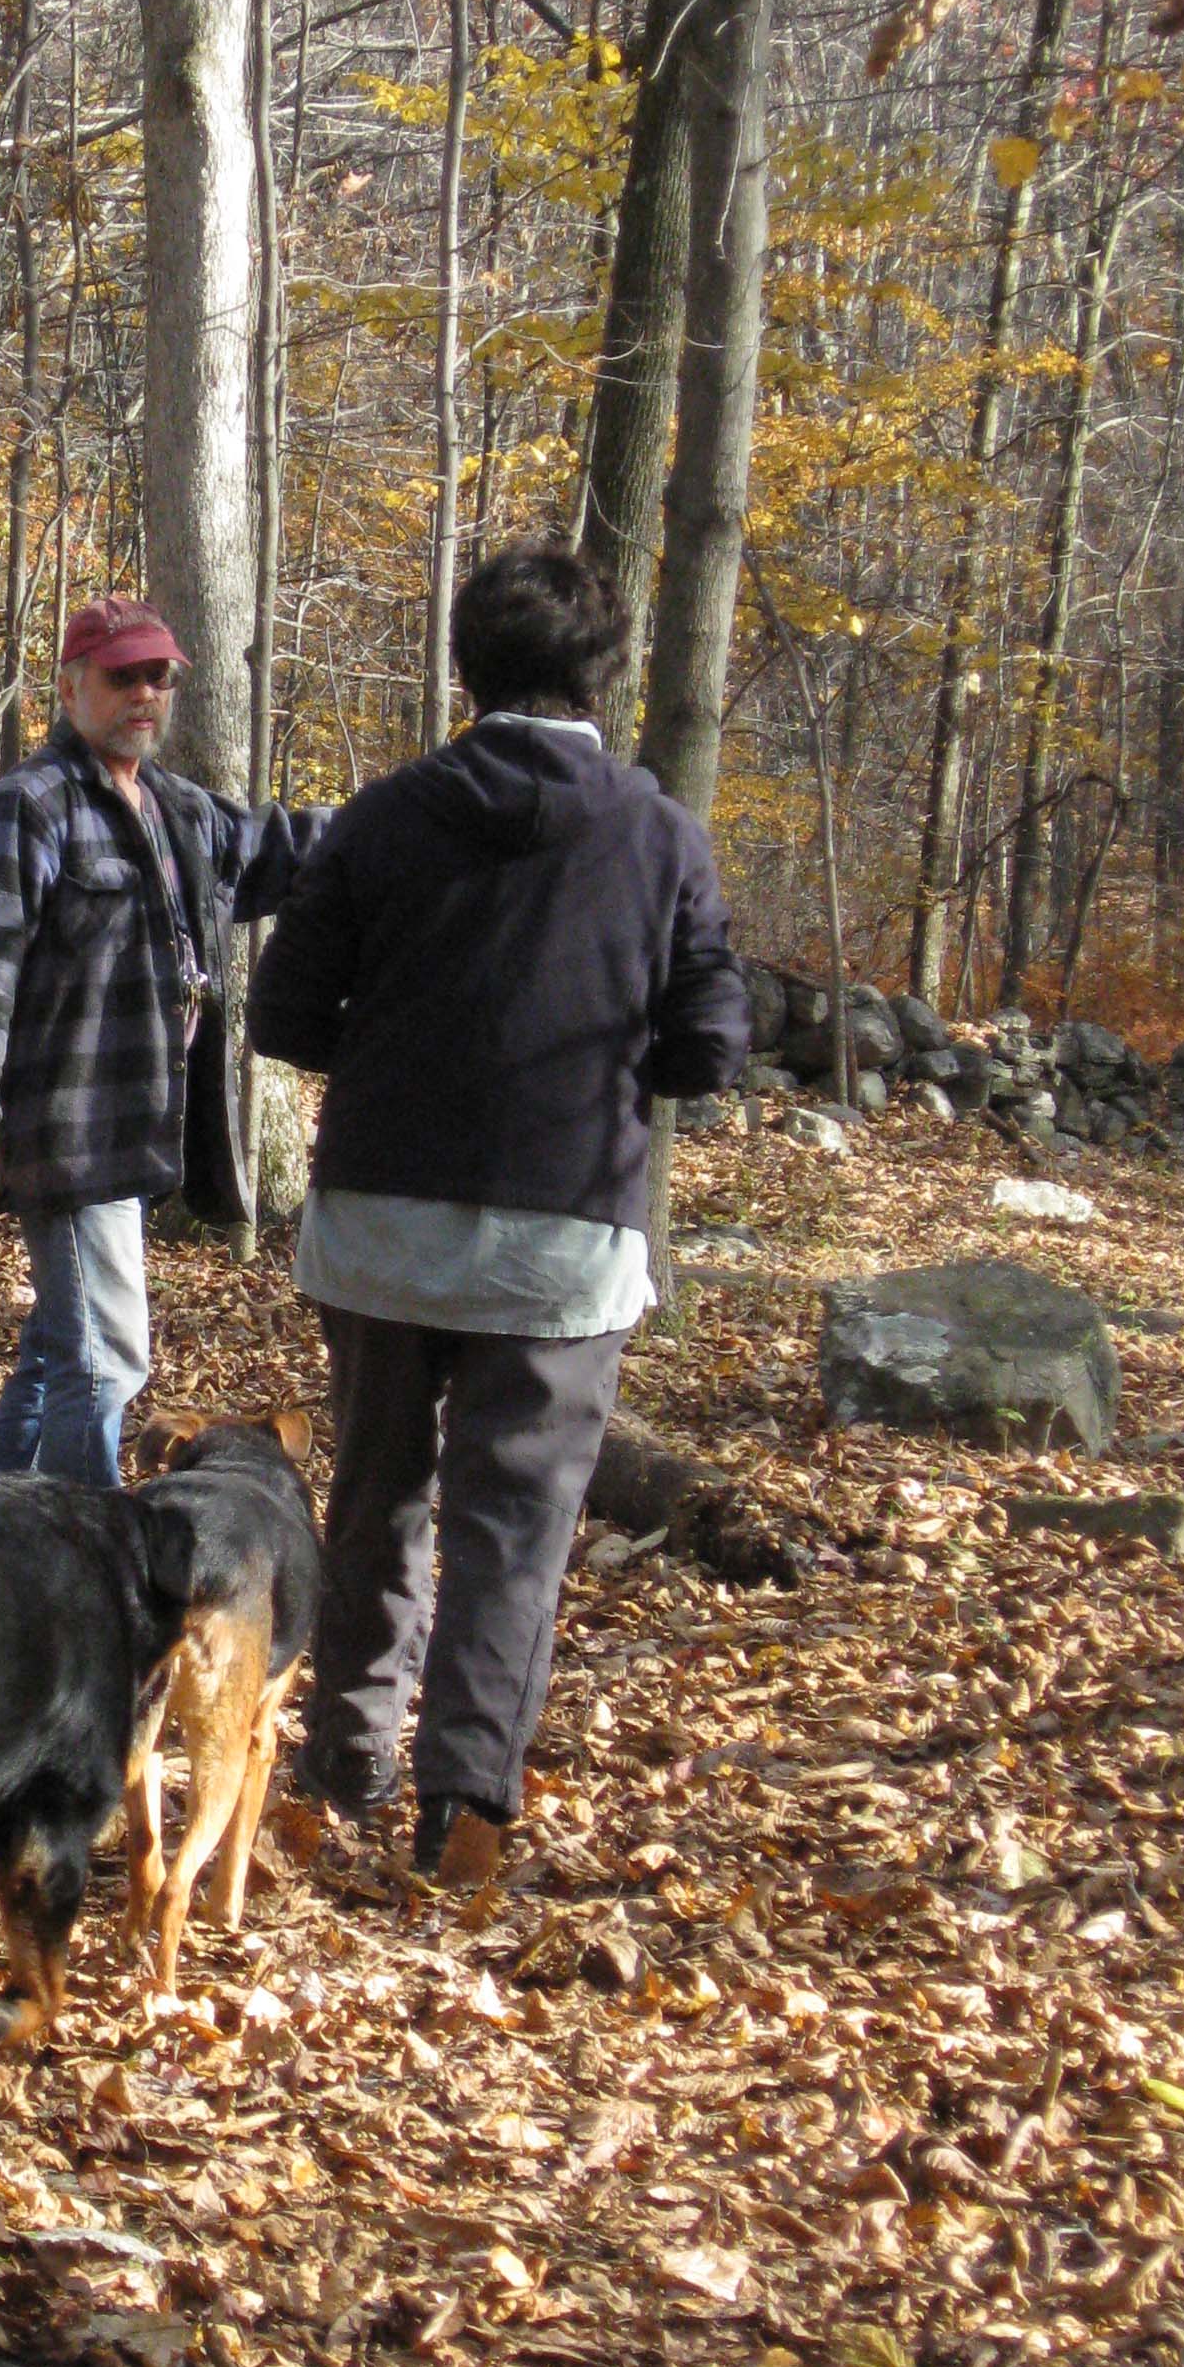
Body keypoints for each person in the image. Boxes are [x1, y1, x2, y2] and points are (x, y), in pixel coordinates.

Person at [247, 538, 752, 1881]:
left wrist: (398, 1052)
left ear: (466, 668)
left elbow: (283, 1014)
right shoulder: (658, 834)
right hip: (565, 1236)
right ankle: (465, 1807)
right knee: (513, 1530)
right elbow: (711, 1045)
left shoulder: (383, 817)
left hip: (382, 1229)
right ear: (604, 676)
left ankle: (338, 1771)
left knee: (375, 1498)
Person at [0, 595, 325, 1487]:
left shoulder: (179, 810)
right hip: (69, 1135)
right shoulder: (28, 807)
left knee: (55, 1355)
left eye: (160, 676)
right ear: (71, 687)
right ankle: (81, 1549)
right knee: (107, 1362)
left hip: (140, 1130)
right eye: (123, 676)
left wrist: (401, 819)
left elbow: (281, 850)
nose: (146, 692)